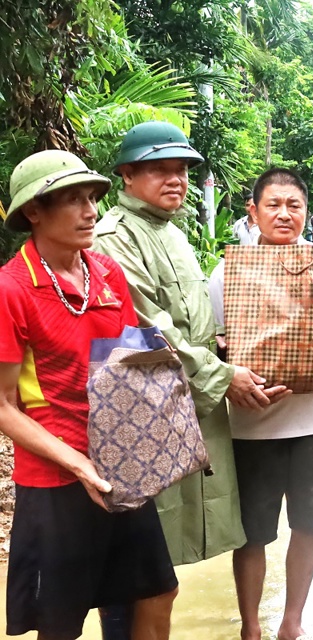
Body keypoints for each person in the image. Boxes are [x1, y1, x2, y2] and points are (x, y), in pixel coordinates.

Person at [0, 150, 178, 639]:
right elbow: (3, 405)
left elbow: (123, 368)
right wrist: (78, 465)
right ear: (33, 212)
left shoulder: (106, 273)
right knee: (61, 621)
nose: (90, 211)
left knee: (156, 592)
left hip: (119, 464)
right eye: (73, 200)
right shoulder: (11, 289)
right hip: (56, 480)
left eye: (92, 198)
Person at [95, 120, 286, 567]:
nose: (175, 179)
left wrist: (227, 349)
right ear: (126, 174)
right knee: (145, 551)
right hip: (148, 404)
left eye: (181, 169)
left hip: (192, 399)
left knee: (180, 544)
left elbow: (196, 320)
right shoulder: (114, 237)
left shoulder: (174, 233)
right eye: (160, 168)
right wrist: (223, 375)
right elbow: (150, 327)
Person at [208, 168, 313, 640]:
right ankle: (251, 627)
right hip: (252, 426)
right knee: (252, 534)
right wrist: (230, 378)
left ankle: (292, 622)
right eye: (272, 204)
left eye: (294, 205)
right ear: (253, 212)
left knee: (309, 525)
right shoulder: (229, 271)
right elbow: (215, 346)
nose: (283, 214)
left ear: (307, 212)